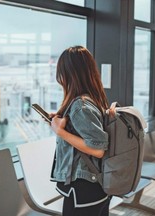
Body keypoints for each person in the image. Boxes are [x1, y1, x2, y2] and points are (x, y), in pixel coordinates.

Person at [49, 46, 111, 216]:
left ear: (69, 74)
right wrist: (63, 120)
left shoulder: (80, 105)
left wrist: (60, 132)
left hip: (83, 189)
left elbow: (98, 149)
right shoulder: (94, 98)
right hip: (95, 186)